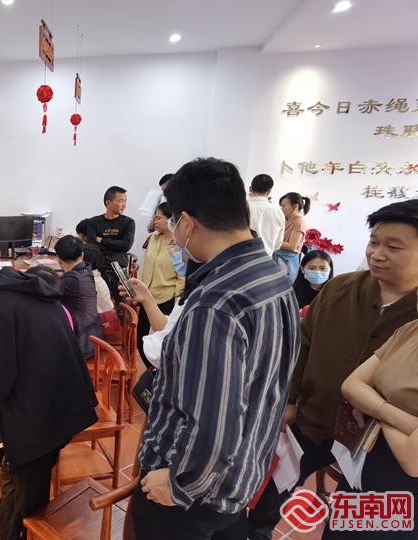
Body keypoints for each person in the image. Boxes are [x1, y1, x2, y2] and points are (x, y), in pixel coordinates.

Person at [130, 158, 299, 540]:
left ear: (187, 223)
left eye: (174, 222)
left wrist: (180, 484)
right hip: (239, 481)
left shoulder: (215, 303)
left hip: (188, 502)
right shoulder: (273, 276)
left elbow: (212, 422)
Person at [249, 199, 418, 539]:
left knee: (353, 521)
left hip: (374, 448)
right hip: (311, 421)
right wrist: (289, 401)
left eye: (393, 247)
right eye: (374, 242)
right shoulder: (340, 289)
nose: (377, 254)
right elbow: (301, 347)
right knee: (272, 495)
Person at [0, 249, 97, 540]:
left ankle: (23, 533)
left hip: (38, 421)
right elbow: (25, 337)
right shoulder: (20, 283)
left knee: (25, 504)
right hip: (64, 403)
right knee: (25, 485)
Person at [322, 319, 418, 539]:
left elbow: (413, 461)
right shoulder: (411, 329)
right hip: (364, 461)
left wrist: (374, 407)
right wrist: (394, 416)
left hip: (404, 493)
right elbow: (351, 385)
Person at [136, 202, 184, 367]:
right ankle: (153, 374)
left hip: (166, 299)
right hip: (147, 297)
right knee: (141, 341)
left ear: (170, 220)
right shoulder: (153, 238)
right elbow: (146, 266)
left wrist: (178, 301)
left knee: (161, 346)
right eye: (154, 218)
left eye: (158, 218)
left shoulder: (178, 244)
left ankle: (159, 374)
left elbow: (182, 276)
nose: (154, 221)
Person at [55, 235, 104, 359]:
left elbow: (45, 290)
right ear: (82, 255)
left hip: (82, 344)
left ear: (59, 259)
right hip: (93, 336)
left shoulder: (71, 281)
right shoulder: (86, 270)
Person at [87, 186, 136, 298]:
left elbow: (126, 245)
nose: (124, 205)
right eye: (120, 201)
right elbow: (92, 247)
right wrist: (116, 244)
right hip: (98, 269)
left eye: (125, 201)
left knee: (119, 300)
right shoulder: (93, 222)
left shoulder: (128, 222)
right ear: (108, 203)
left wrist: (102, 240)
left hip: (118, 269)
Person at [273, 192, 310, 283]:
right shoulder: (287, 220)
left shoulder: (299, 222)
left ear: (295, 206)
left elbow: (292, 246)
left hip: (287, 261)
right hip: (280, 258)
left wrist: (270, 241)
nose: (281, 209)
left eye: (284, 206)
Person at [247, 174, 285, 257]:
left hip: (242, 258)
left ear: (250, 188)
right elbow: (278, 244)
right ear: (269, 191)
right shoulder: (278, 212)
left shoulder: (242, 208)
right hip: (266, 259)